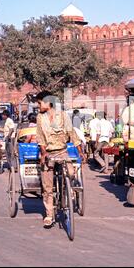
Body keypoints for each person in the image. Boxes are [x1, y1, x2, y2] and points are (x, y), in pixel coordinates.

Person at [36, 91, 86, 228]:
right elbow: (40, 138)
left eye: (39, 103)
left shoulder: (63, 116)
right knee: (47, 186)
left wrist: (80, 151)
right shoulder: (40, 118)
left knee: (71, 173)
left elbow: (72, 134)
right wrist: (44, 153)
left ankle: (69, 194)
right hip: (48, 153)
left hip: (62, 152)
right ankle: (49, 214)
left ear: (47, 102)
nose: (38, 106)